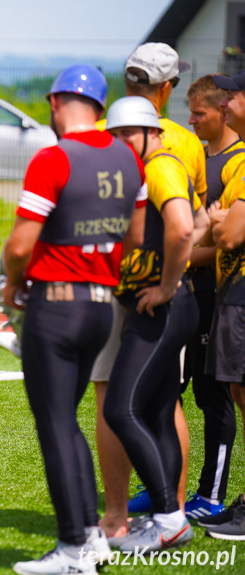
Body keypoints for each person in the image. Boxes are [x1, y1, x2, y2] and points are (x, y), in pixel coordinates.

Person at [2, 66, 145, 575]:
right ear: (101, 107)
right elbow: (135, 235)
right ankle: (90, 537)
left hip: (56, 306)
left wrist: (14, 282)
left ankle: (73, 551)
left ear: (57, 103)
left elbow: (21, 244)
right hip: (101, 306)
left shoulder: (54, 157)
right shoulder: (128, 157)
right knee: (69, 422)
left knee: (57, 423)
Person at [91, 42, 207, 537]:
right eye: (115, 133)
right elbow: (197, 220)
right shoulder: (180, 144)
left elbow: (183, 227)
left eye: (125, 134)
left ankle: (150, 516)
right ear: (166, 89)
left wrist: (164, 284)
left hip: (151, 297)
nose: (117, 141)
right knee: (159, 406)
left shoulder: (158, 157)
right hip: (146, 294)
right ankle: (167, 514)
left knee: (117, 404)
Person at [180, 74, 245, 519]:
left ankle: (211, 494)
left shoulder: (238, 160)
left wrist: (182, 255)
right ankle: (170, 490)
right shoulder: (201, 156)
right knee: (168, 391)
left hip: (218, 293)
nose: (193, 120)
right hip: (198, 291)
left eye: (199, 112)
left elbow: (226, 234)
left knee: (216, 395)